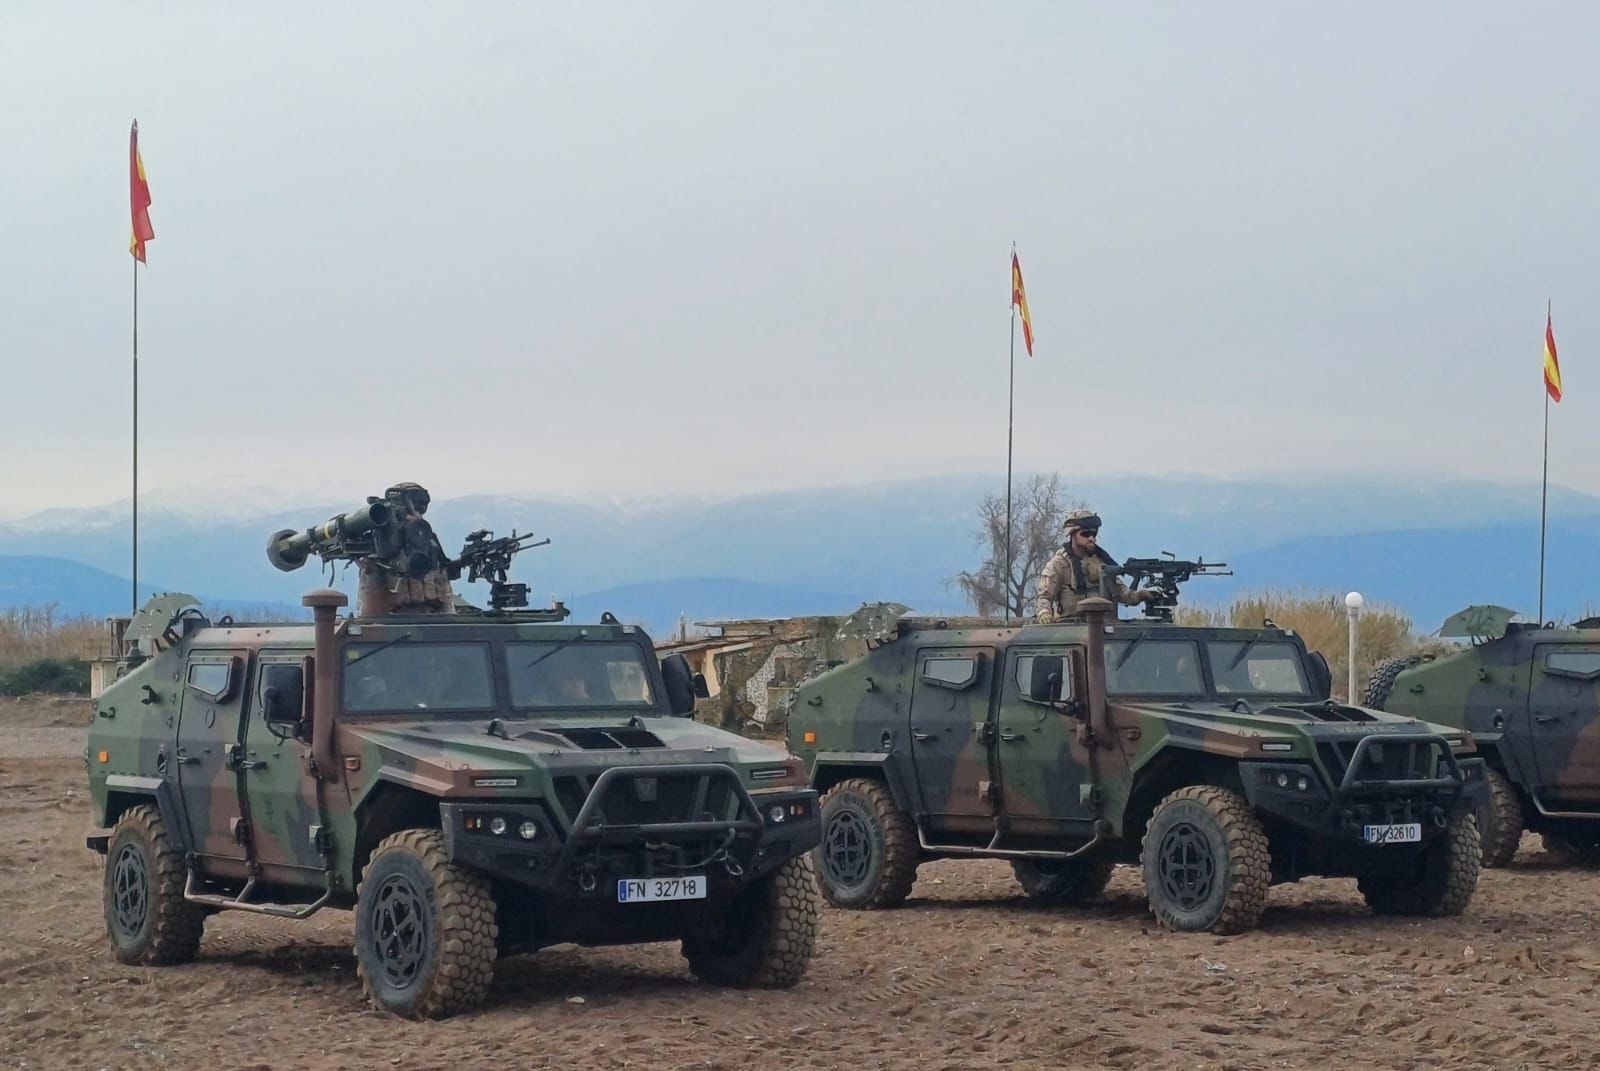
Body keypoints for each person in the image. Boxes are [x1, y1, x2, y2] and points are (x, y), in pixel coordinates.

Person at [1034, 509, 1160, 623]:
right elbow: (1044, 597)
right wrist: (1044, 614)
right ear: (1072, 535)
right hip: (1070, 628)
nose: (1091, 538)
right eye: (1085, 534)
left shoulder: (1102, 562)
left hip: (1104, 627)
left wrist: (1140, 595)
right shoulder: (1059, 565)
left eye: (1094, 534)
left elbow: (1121, 593)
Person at [355, 482, 458, 616]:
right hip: (392, 622)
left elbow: (445, 593)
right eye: (410, 511)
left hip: (432, 619)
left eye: (421, 511)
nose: (417, 516)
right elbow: (369, 614)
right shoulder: (382, 547)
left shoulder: (430, 544)